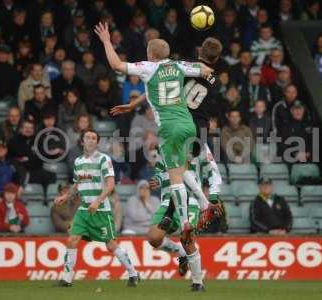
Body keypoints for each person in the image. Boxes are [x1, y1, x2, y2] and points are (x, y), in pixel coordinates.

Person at [95, 22, 212, 291]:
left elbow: (116, 65)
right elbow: (205, 71)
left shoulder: (149, 67)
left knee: (175, 180)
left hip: (169, 128)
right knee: (180, 176)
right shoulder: (180, 66)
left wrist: (105, 41)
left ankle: (189, 218)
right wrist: (207, 68)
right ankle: (195, 213)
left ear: (151, 54)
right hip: (187, 125)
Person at [55, 129, 139, 287]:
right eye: (88, 137)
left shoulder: (103, 159)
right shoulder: (78, 161)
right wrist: (65, 197)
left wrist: (98, 201)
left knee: (110, 245)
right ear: (82, 142)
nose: (91, 140)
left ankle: (133, 272)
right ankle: (66, 278)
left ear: (97, 142)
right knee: (72, 240)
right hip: (84, 209)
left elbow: (111, 184)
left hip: (101, 210)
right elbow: (77, 184)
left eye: (94, 138)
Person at [147, 148, 202, 290]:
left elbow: (185, 171)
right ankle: (180, 252)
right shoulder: (163, 152)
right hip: (167, 200)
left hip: (190, 201)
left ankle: (197, 282)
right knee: (154, 238)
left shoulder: (192, 147)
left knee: (187, 239)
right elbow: (159, 173)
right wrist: (157, 180)